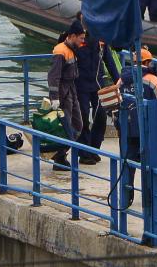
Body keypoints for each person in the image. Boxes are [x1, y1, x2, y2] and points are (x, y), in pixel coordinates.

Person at [116, 47, 157, 207]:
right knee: (152, 164)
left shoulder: (122, 80)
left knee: (127, 163)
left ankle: (126, 196)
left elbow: (115, 101)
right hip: (148, 129)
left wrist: (118, 125)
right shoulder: (153, 80)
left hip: (127, 128)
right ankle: (151, 197)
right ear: (147, 62)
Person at [74, 17, 120, 165]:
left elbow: (109, 60)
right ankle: (84, 152)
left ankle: (94, 149)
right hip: (80, 84)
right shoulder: (76, 39)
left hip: (98, 84)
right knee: (83, 117)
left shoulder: (101, 38)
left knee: (101, 116)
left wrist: (118, 80)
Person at [48, 20, 85, 170]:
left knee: (78, 125)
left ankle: (60, 153)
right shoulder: (60, 51)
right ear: (73, 36)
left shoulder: (73, 49)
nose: (82, 41)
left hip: (71, 90)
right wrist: (54, 98)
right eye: (81, 38)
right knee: (65, 128)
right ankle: (60, 157)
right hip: (62, 93)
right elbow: (53, 77)